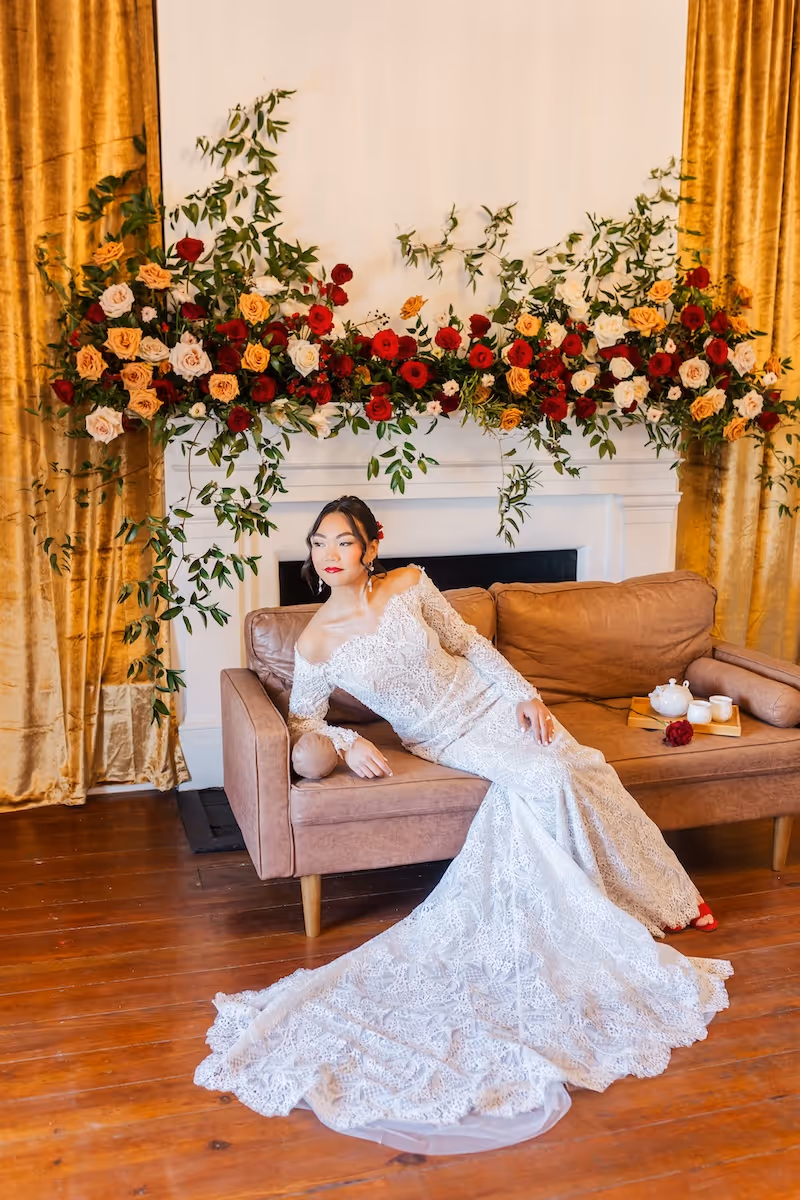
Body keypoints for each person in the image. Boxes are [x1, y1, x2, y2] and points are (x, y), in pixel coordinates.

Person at [195, 495, 732, 1155]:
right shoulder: (314, 641)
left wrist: (525, 697)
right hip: (444, 733)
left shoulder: (412, 584)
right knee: (548, 779)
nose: (328, 556)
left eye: (342, 542)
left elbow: (471, 644)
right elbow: (303, 723)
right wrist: (346, 737)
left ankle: (666, 896)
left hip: (493, 704)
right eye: (318, 544)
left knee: (584, 765)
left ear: (371, 546)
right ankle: (602, 916)